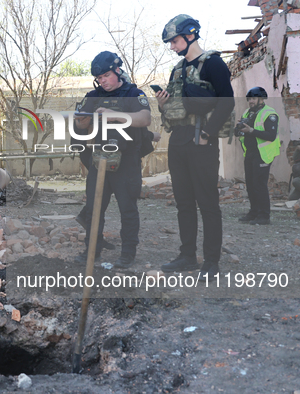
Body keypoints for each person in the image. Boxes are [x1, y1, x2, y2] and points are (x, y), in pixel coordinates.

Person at [156, 15, 234, 279]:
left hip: (202, 140)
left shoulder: (213, 64)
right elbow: (171, 109)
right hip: (178, 141)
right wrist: (162, 104)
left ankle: (211, 262)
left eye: (174, 40)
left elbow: (227, 102)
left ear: (190, 35)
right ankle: (187, 255)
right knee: (184, 203)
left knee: (208, 203)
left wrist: (208, 134)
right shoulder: (177, 70)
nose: (172, 46)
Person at [73, 51, 158, 268]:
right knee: (93, 209)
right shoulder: (92, 97)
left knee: (127, 209)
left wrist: (114, 114)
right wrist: (82, 122)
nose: (103, 81)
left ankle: (128, 253)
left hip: (127, 161)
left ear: (117, 71)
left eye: (106, 76)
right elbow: (79, 126)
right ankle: (93, 250)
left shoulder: (133, 93)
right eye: (99, 78)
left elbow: (145, 118)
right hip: (98, 159)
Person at [236, 87, 280, 224]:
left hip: (263, 153)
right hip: (250, 152)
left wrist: (251, 130)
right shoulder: (247, 113)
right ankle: (254, 212)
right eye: (249, 99)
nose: (251, 101)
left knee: (259, 184)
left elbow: (271, 136)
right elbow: (243, 132)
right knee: (250, 183)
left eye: (253, 99)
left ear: (261, 99)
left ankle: (264, 216)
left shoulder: (270, 114)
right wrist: (238, 129)